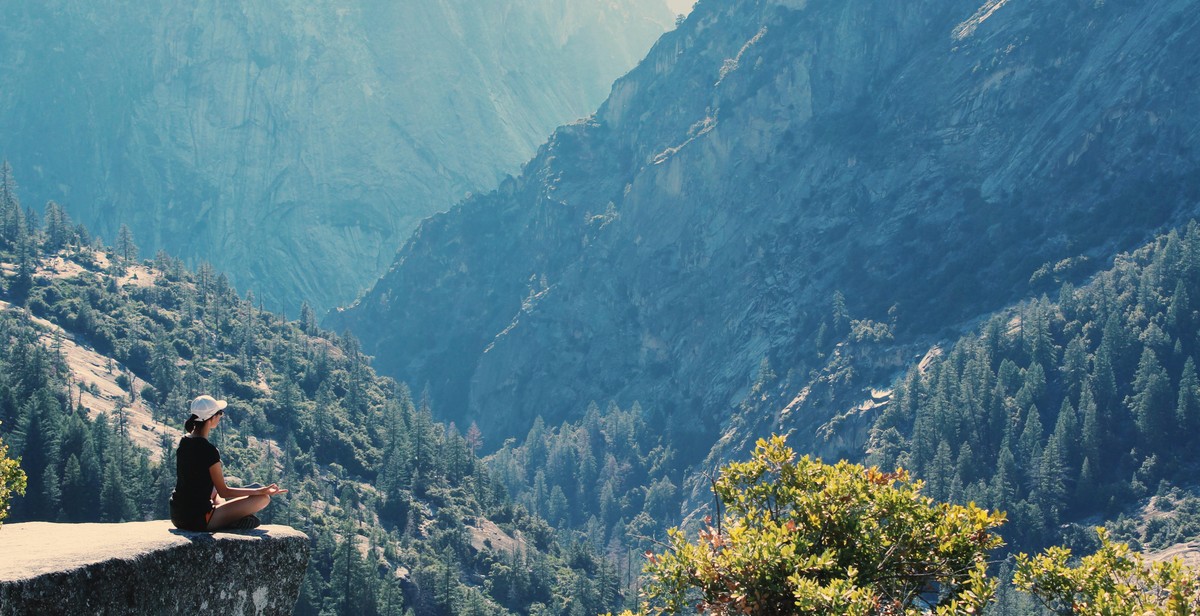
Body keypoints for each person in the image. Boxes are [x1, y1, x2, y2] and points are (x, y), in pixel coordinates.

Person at [169, 395, 286, 531]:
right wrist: (260, 491)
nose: (221, 416)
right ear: (211, 418)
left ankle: (230, 516)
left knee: (213, 489)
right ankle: (231, 520)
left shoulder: (184, 441)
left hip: (177, 514)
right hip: (198, 520)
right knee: (263, 498)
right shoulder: (209, 450)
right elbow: (224, 491)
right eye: (220, 413)